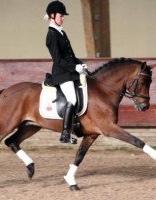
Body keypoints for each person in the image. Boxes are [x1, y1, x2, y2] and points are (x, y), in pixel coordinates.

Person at [44, 1, 88, 144]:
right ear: (52, 15)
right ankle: (65, 134)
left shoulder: (61, 32)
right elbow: (58, 60)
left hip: (69, 72)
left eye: (63, 16)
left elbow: (71, 56)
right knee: (72, 99)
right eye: (61, 15)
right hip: (61, 74)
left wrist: (81, 64)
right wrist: (75, 68)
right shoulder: (51, 35)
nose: (63, 18)